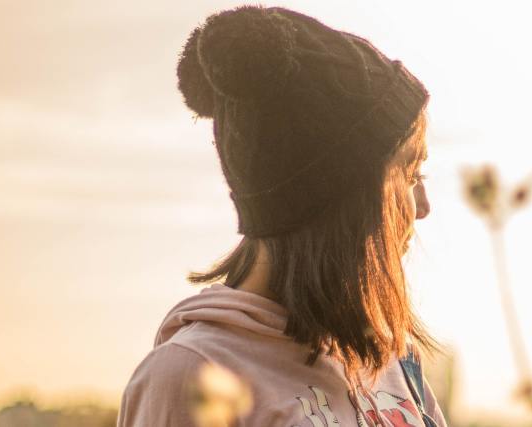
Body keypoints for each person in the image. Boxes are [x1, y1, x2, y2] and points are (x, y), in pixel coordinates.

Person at [118, 6, 445, 427]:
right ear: (340, 197)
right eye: (411, 173)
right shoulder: (193, 376)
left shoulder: (393, 358)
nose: (422, 206)